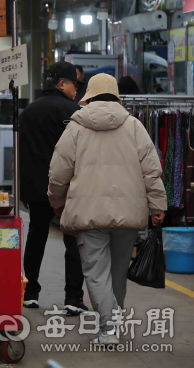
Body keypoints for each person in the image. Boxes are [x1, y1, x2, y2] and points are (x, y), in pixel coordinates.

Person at [48, 73, 167, 344]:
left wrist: (57, 202)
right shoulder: (134, 126)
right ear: (116, 97)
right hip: (128, 212)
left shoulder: (76, 127)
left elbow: (58, 172)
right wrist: (157, 205)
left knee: (95, 271)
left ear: (89, 96)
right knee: (117, 272)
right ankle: (114, 320)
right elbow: (152, 171)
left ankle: (108, 329)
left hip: (88, 213)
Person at [19, 61, 87, 315]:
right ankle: (72, 297)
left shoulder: (28, 112)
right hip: (68, 189)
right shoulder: (74, 112)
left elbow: (22, 154)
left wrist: (25, 191)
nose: (76, 91)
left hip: (36, 188)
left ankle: (30, 293)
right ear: (61, 84)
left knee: (36, 236)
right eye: (74, 84)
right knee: (72, 240)